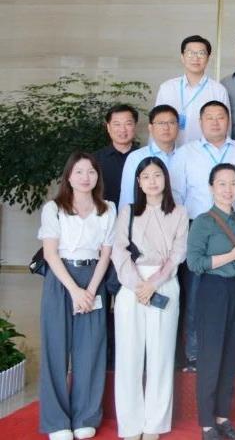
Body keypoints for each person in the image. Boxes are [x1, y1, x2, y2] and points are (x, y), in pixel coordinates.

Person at [169, 101, 235, 370]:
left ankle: (230, 354)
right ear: (200, 122)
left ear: (229, 121)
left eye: (221, 117)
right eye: (209, 118)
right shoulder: (185, 153)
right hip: (199, 227)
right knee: (196, 295)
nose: (216, 122)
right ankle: (195, 353)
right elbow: (177, 196)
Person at [38, 152, 116, 440]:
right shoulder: (54, 208)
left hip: (93, 277)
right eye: (79, 172)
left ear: (98, 177)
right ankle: (56, 421)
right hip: (61, 280)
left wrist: (91, 290)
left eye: (91, 172)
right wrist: (74, 290)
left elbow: (106, 254)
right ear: (69, 176)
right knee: (55, 348)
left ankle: (85, 416)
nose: (86, 177)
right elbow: (50, 253)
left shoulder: (108, 208)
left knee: (91, 350)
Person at [112, 157, 188, 440]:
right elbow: (119, 251)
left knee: (161, 355)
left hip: (164, 284)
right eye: (146, 176)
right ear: (139, 182)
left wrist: (154, 283)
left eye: (157, 175)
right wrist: (138, 285)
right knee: (128, 356)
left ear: (165, 179)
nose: (152, 181)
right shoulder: (128, 212)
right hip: (131, 285)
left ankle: (154, 424)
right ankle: (130, 425)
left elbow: (178, 253)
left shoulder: (179, 212)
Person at [186, 163, 235, 440]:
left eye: (233, 183)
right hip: (212, 291)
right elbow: (194, 262)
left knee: (230, 356)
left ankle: (223, 417)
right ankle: (207, 424)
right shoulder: (203, 221)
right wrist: (231, 257)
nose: (228, 189)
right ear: (211, 187)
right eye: (222, 183)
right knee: (211, 357)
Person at [155, 35, 230, 147]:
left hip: (205, 153)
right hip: (170, 151)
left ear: (208, 58)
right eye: (190, 53)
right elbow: (156, 124)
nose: (195, 58)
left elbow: (226, 128)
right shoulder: (167, 88)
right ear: (182, 57)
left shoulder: (218, 90)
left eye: (201, 53)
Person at [119, 105, 179, 210]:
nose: (166, 127)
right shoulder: (136, 157)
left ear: (178, 126)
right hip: (144, 216)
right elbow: (127, 197)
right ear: (150, 128)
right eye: (161, 123)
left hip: (180, 216)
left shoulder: (185, 155)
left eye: (171, 122)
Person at [93, 104, 140, 203]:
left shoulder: (145, 158)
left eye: (128, 124)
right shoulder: (95, 159)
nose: (122, 129)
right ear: (108, 127)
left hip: (137, 212)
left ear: (135, 126)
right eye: (117, 124)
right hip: (105, 211)